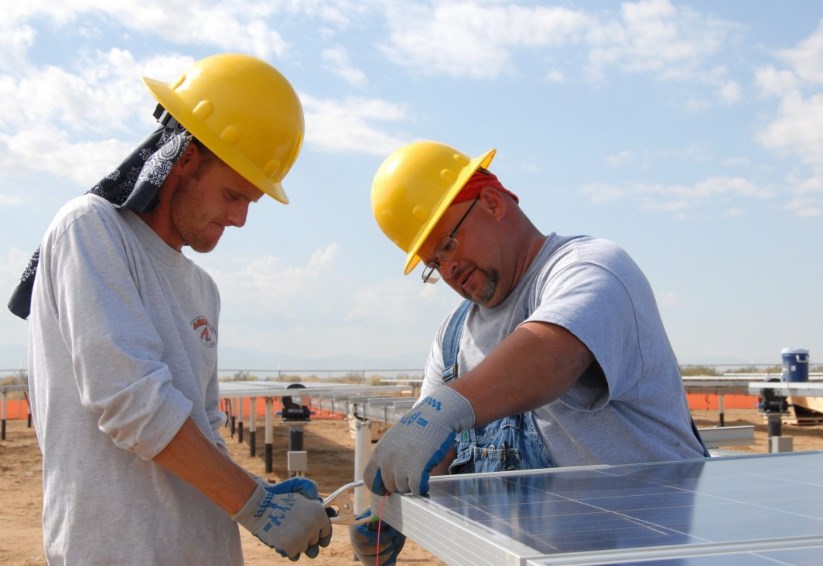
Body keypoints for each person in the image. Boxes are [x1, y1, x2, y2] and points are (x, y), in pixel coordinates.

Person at [10, 53, 331, 564]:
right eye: (232, 194)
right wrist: (253, 505)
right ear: (184, 159)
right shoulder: (91, 230)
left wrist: (259, 492)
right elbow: (131, 404)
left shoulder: (203, 290)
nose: (240, 219)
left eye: (252, 201)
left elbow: (200, 430)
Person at [351, 140, 708, 565]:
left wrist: (443, 411)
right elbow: (430, 453)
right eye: (432, 263)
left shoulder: (590, 268)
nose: (448, 270)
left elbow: (550, 356)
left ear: (492, 202)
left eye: (446, 245)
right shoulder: (451, 337)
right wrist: (386, 508)